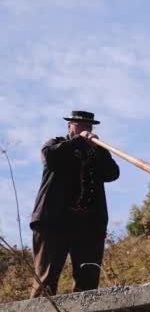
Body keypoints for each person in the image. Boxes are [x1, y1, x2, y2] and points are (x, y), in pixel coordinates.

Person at [30, 111, 120, 298]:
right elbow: (51, 158)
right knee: (45, 279)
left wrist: (100, 149)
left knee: (87, 279)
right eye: (79, 125)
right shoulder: (55, 145)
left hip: (88, 225)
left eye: (89, 126)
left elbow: (112, 173)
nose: (85, 129)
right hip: (54, 222)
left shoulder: (96, 152)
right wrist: (79, 140)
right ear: (69, 127)